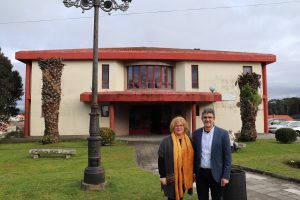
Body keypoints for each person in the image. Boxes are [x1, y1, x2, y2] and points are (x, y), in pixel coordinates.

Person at [192, 108, 231, 200]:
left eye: (210, 117)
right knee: (202, 198)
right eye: (205, 117)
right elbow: (194, 155)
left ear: (214, 119)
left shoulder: (223, 134)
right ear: (202, 119)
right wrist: (193, 172)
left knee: (217, 198)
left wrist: (225, 176)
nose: (207, 119)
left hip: (217, 174)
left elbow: (227, 157)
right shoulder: (196, 133)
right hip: (200, 173)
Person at [158, 116, 194, 200]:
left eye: (181, 125)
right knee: (171, 197)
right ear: (173, 127)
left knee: (181, 196)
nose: (179, 127)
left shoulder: (189, 140)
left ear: (184, 127)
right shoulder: (166, 141)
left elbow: (193, 158)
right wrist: (162, 176)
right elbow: (161, 159)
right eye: (176, 126)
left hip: (184, 176)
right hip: (171, 176)